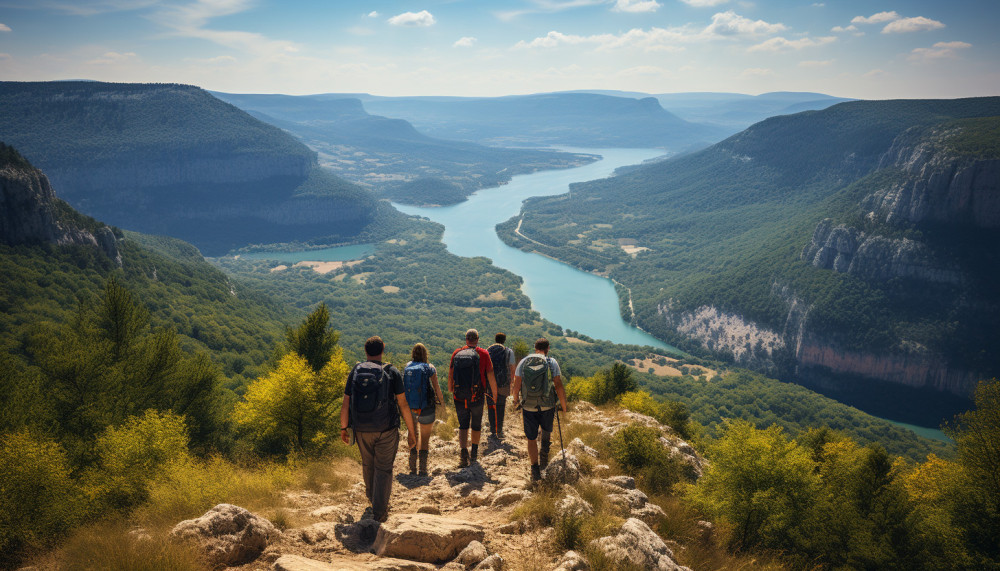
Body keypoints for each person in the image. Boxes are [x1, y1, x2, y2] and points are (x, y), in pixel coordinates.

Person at [340, 336, 417, 522]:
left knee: (368, 464)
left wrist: (344, 428)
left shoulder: (356, 371)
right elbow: (403, 404)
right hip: (386, 429)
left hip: (361, 428)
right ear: (383, 349)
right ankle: (379, 512)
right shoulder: (391, 371)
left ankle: (373, 499)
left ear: (365, 351)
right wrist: (411, 432)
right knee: (383, 468)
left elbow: (346, 403)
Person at [510, 338, 568, 482]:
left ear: (534, 348)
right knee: (546, 429)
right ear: (548, 348)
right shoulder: (551, 362)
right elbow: (558, 385)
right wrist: (564, 406)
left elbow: (516, 385)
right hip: (547, 404)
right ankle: (544, 457)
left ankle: (534, 469)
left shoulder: (523, 362)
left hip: (528, 405)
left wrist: (516, 401)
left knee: (531, 437)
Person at [448, 328, 498, 467]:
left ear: (466, 339)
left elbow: (451, 374)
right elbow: (490, 375)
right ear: (477, 339)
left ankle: (463, 455)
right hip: (477, 396)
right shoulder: (483, 353)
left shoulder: (457, 353)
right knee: (476, 425)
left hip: (459, 397)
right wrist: (494, 394)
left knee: (463, 425)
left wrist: (451, 389)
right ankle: (474, 455)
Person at [403, 342, 444, 476]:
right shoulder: (430, 368)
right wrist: (442, 404)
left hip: (411, 407)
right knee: (425, 438)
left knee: (413, 434)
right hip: (426, 407)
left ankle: (412, 467)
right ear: (425, 354)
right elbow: (436, 387)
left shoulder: (407, 367)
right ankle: (423, 469)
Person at [486, 332, 515, 443]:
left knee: (491, 406)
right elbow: (512, 369)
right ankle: (500, 430)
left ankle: (492, 430)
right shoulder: (509, 352)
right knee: (501, 407)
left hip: (489, 383)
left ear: (495, 339)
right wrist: (511, 383)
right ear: (504, 340)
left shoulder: (488, 351)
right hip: (503, 384)